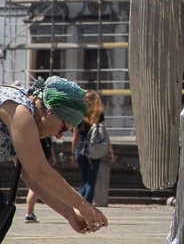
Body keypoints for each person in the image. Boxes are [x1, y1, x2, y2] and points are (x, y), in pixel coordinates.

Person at [0, 76, 108, 234]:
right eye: (63, 128)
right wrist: (84, 206)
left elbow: (31, 177)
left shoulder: (27, 112)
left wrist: (70, 214)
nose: (58, 136)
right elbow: (40, 173)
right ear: (51, 112)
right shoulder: (19, 110)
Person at [73, 90, 116, 203]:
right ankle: (87, 208)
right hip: (94, 149)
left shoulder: (78, 113)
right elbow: (104, 133)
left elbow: (75, 137)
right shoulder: (98, 114)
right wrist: (110, 151)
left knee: (84, 181)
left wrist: (73, 154)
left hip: (80, 149)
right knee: (91, 182)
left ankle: (78, 206)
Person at [24, 137, 55, 222]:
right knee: (35, 185)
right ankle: (29, 214)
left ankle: (30, 212)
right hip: (39, 155)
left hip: (37, 154)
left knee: (34, 185)